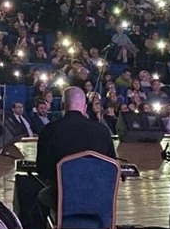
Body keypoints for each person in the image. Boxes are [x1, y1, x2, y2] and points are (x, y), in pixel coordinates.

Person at [36, 85, 116, 213]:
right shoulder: (102, 131)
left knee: (42, 195)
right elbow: (112, 165)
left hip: (65, 196)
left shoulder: (49, 130)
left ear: (62, 106)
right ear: (85, 108)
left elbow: (42, 170)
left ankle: (58, 227)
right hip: (98, 197)